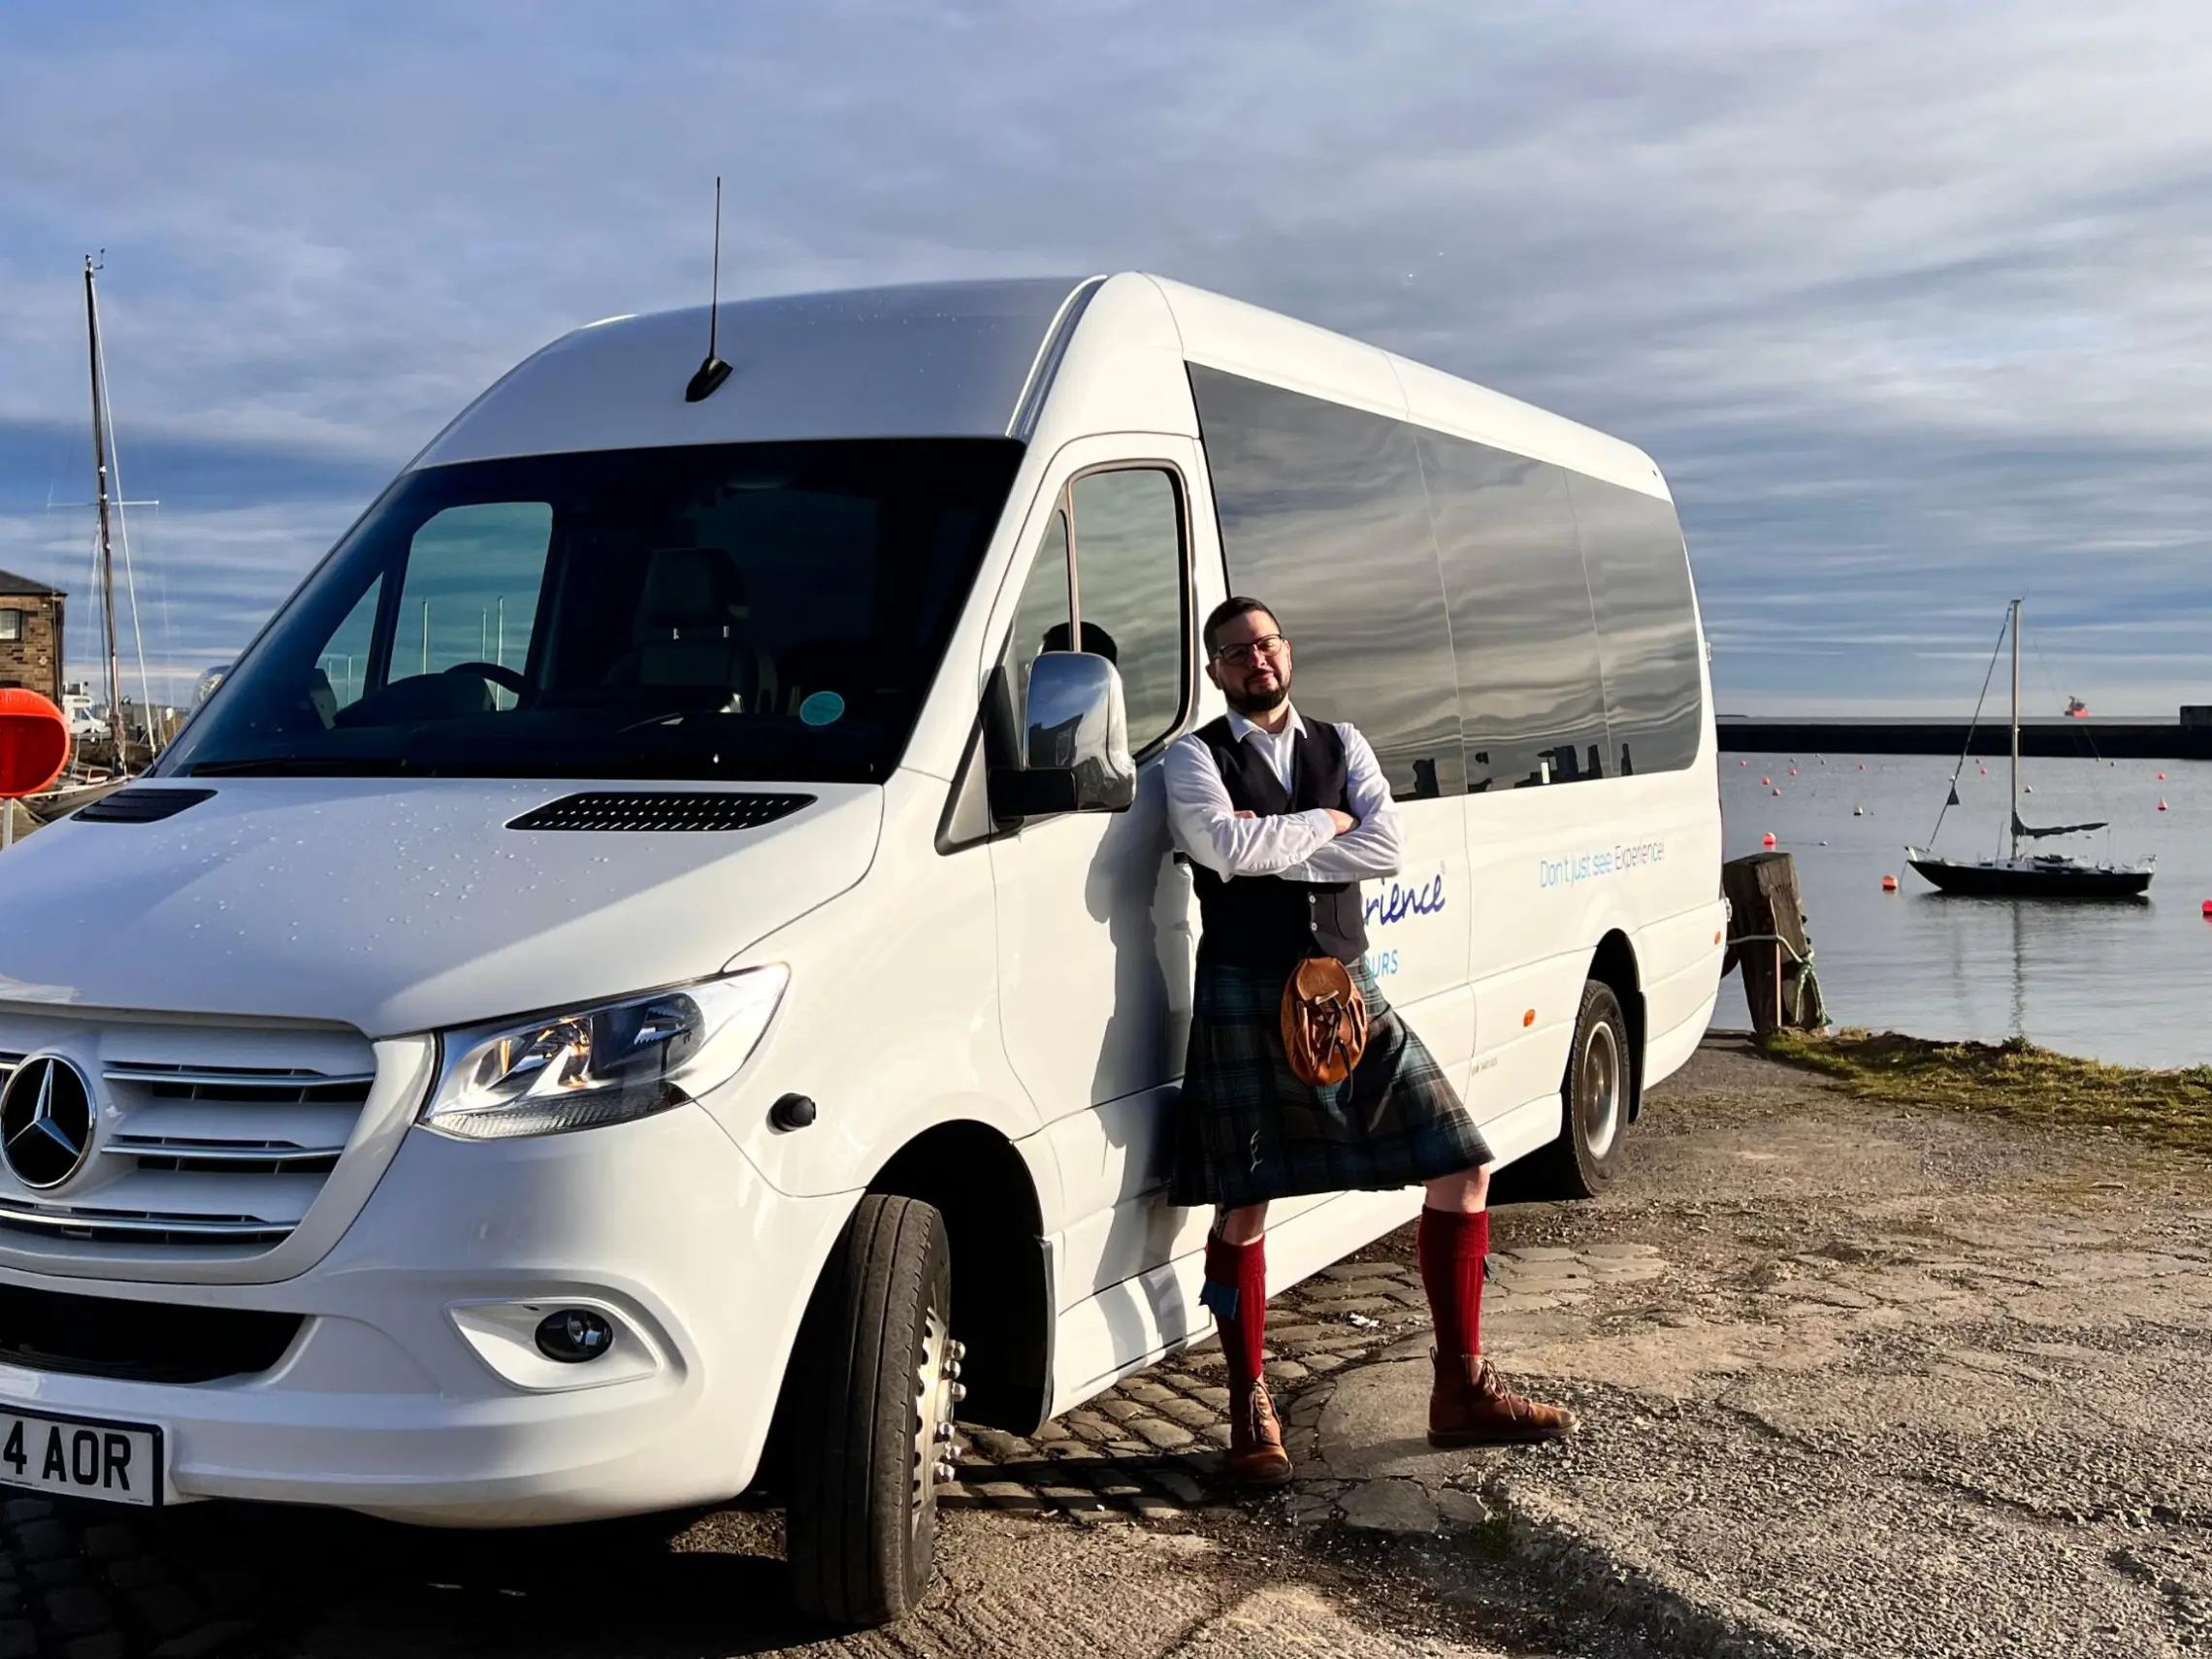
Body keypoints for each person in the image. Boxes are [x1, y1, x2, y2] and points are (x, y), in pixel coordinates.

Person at [1164, 596, 1579, 1485]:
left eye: (1267, 644)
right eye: (1236, 652)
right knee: (1244, 1197)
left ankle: (1461, 1389)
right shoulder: (1193, 757)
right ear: (1215, 670)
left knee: (1465, 1164)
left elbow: (1386, 847)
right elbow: (1223, 848)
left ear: (1289, 651)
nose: (1256, 661)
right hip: (1244, 986)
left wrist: (1281, 843)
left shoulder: (1342, 742)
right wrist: (1328, 827)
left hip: (1347, 989)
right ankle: (1247, 1407)